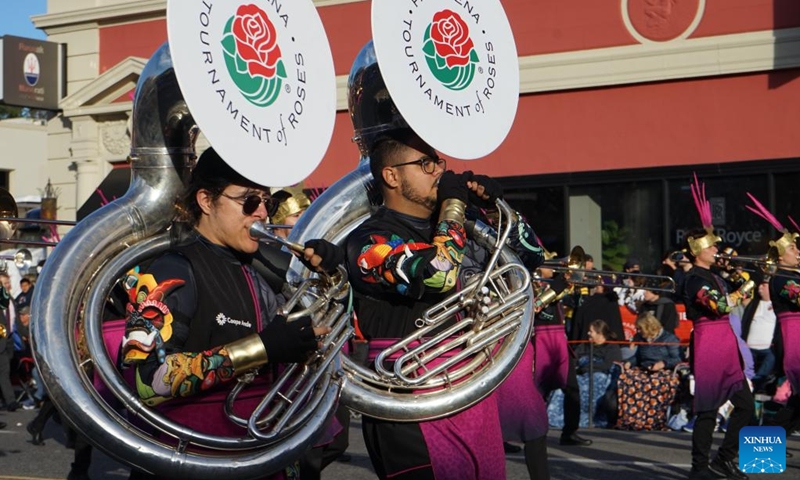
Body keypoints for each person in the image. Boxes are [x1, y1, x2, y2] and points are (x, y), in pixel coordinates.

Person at [121, 147, 342, 480]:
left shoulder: (260, 266)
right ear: (207, 201)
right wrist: (261, 349)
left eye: (268, 202)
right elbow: (144, 381)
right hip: (198, 458)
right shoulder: (172, 269)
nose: (263, 214)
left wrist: (328, 279)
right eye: (249, 202)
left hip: (263, 449)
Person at [343, 123, 547, 479]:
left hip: (470, 392)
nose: (440, 170)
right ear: (391, 175)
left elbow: (532, 256)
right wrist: (453, 205)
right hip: (408, 403)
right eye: (426, 164)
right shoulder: (368, 239)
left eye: (438, 161)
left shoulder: (458, 225)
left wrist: (497, 211)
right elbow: (438, 274)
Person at [681, 177, 752, 480]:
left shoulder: (716, 275)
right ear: (699, 250)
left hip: (726, 343)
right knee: (708, 411)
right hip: (710, 343)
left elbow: (741, 286)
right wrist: (738, 292)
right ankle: (699, 468)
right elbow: (720, 307)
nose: (717, 250)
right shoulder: (695, 279)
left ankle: (725, 457)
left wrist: (739, 275)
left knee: (746, 407)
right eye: (712, 247)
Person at [744, 194, 800, 438]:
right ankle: (760, 445)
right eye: (792, 247)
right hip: (795, 342)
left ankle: (761, 446)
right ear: (779, 254)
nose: (797, 251)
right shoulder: (780, 279)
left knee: (796, 405)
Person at [532, 267, 593, 447]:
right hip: (541, 338)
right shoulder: (532, 282)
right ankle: (523, 433)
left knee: (572, 388)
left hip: (559, 339)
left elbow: (575, 305)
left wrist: (577, 290)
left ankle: (570, 432)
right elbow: (537, 306)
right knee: (537, 392)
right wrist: (560, 285)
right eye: (549, 264)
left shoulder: (554, 285)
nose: (554, 268)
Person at [0, 272, 18, 412]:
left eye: (7, 282)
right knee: (4, 372)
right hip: (1, 340)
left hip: (10, 340)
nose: (7, 285)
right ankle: (11, 401)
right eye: (4, 283)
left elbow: (15, 320)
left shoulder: (11, 299)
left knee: (7, 370)